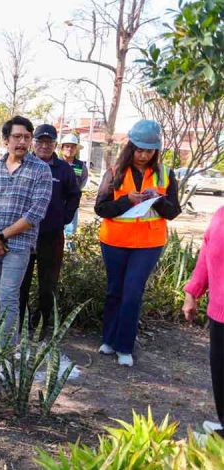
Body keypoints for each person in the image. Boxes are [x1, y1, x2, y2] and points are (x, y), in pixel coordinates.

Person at [94, 119, 181, 367]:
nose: (143, 155)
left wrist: (158, 200)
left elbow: (173, 211)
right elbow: (101, 208)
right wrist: (128, 201)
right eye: (139, 149)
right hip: (115, 240)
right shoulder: (114, 172)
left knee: (132, 293)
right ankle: (109, 340)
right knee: (115, 291)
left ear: (156, 150)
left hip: (148, 243)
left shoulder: (165, 174)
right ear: (130, 147)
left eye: (148, 150)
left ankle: (125, 346)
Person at [0, 116, 53, 343]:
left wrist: (2, 236)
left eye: (26, 137)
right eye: (17, 137)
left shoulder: (41, 170)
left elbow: (35, 213)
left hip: (18, 247)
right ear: (6, 140)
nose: (22, 142)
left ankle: (6, 349)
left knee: (9, 295)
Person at [18, 125, 81, 339]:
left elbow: (74, 195)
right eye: (40, 141)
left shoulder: (64, 169)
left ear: (55, 144)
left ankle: (41, 324)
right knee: (21, 281)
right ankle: (18, 322)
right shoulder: (23, 164)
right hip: (23, 234)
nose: (44, 146)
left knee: (48, 284)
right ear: (33, 143)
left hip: (51, 236)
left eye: (49, 142)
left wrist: (63, 218)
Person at [183, 206, 224, 438]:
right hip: (219, 312)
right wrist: (192, 292)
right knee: (220, 374)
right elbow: (208, 251)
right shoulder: (221, 214)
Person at [60, 134, 88, 238]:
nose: (69, 149)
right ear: (62, 148)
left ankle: (69, 253)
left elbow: (83, 180)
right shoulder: (56, 163)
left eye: (72, 147)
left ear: (76, 149)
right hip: (56, 200)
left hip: (72, 201)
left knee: (70, 230)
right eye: (67, 146)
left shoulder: (80, 166)